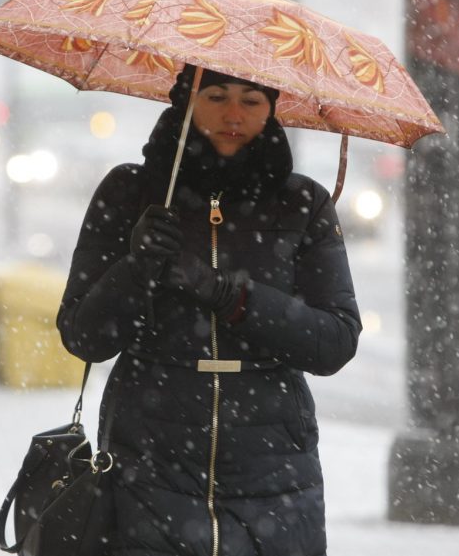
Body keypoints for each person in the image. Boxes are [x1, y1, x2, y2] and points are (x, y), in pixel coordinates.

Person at [56, 65, 363, 556]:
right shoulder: (129, 192)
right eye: (216, 96)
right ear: (186, 101)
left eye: (252, 100)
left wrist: (230, 296)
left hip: (274, 472)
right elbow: (84, 336)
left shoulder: (302, 202)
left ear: (272, 108)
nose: (234, 115)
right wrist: (136, 268)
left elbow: (335, 342)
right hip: (147, 462)